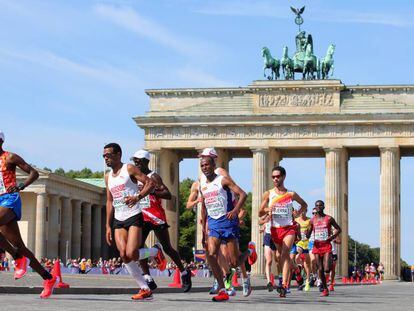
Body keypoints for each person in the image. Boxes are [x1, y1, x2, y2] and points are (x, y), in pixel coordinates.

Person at [187, 148, 254, 297]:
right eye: (202, 164)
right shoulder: (201, 183)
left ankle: (249, 251)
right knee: (210, 254)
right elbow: (203, 205)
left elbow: (241, 194)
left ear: (213, 162)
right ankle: (223, 288)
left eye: (207, 163)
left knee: (233, 263)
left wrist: (236, 211)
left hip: (228, 221)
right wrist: (204, 228)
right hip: (213, 223)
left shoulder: (222, 177)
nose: (204, 167)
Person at [0, 131, 59, 298]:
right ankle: (48, 278)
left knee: (18, 250)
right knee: (20, 246)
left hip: (10, 200)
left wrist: (21, 185)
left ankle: (18, 258)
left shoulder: (10, 157)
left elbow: (34, 173)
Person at [104, 143, 165, 301]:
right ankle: (144, 288)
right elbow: (109, 201)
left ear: (118, 155)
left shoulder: (129, 169)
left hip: (134, 215)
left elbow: (150, 183)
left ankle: (155, 251)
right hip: (118, 218)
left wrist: (137, 197)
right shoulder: (107, 176)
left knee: (132, 253)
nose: (106, 158)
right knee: (124, 255)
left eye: (108, 155)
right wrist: (107, 226)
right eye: (104, 156)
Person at [131, 149, 192, 292]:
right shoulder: (134, 176)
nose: (136, 164)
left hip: (156, 216)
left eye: (139, 162)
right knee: (138, 248)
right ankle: (147, 276)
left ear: (146, 162)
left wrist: (151, 190)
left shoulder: (154, 177)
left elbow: (167, 194)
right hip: (141, 216)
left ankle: (184, 272)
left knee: (168, 248)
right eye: (135, 161)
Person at [259, 165, 307, 297]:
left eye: (277, 176)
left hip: (288, 228)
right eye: (273, 177)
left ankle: (284, 285)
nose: (275, 179)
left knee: (285, 254)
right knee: (279, 257)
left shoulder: (290, 194)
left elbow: (304, 204)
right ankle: (294, 273)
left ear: (283, 177)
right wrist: (267, 210)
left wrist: (298, 212)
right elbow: (259, 212)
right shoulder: (268, 193)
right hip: (275, 230)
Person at [306, 200, 341, 297]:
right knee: (320, 269)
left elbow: (339, 229)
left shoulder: (329, 218)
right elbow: (309, 234)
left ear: (323, 207)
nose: (318, 207)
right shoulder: (312, 220)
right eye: (317, 205)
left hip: (326, 245)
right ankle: (325, 289)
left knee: (326, 269)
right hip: (317, 246)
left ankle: (325, 282)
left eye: (320, 205)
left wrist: (332, 237)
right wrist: (307, 233)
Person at [259, 214, 277, 291]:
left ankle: (281, 279)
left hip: (277, 236)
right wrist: (264, 222)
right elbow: (260, 221)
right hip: (268, 237)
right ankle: (269, 281)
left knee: (277, 260)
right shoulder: (267, 214)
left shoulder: (279, 214)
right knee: (269, 260)